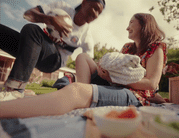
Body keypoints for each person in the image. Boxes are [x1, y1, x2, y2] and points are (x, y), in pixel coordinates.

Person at [0, 13, 167, 118]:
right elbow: (116, 67)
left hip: (134, 94)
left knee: (74, 91)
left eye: (131, 22)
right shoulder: (127, 48)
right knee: (82, 57)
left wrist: (113, 78)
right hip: (112, 82)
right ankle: (83, 94)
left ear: (144, 24)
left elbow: (151, 83)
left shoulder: (156, 48)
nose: (127, 27)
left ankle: (80, 94)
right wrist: (105, 70)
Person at [0, 0, 106, 101]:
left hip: (53, 61)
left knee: (32, 30)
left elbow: (90, 67)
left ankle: (15, 90)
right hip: (32, 48)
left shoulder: (87, 37)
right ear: (85, 2)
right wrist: (50, 19)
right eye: (95, 8)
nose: (96, 15)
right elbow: (28, 14)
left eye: (99, 13)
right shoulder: (62, 7)